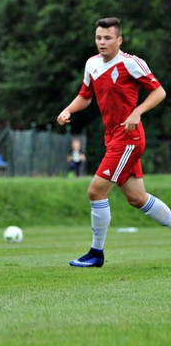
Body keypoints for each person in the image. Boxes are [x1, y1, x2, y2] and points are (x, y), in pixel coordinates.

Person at [57, 17, 171, 268]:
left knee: (96, 191)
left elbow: (159, 91)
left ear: (119, 40)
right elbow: (85, 96)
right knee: (137, 198)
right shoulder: (91, 64)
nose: (102, 42)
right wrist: (68, 110)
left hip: (129, 138)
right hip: (113, 139)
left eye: (107, 38)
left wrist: (137, 112)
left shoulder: (131, 63)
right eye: (99, 37)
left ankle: (96, 253)